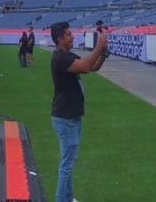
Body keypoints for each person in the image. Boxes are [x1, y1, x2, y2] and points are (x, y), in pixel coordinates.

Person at [49, 21, 108, 202]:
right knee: (66, 164)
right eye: (68, 35)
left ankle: (67, 197)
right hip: (65, 118)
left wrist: (103, 53)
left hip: (72, 117)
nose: (72, 36)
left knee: (70, 161)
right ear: (60, 39)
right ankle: (62, 199)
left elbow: (91, 67)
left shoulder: (67, 55)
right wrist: (98, 46)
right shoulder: (60, 58)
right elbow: (84, 66)